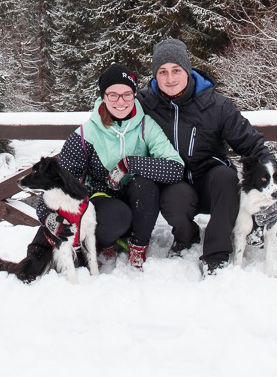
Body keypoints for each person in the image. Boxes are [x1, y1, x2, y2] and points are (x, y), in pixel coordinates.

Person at [137, 38, 272, 276]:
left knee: (226, 177)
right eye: (163, 72)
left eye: (176, 70)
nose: (170, 78)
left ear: (187, 70)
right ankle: (185, 237)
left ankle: (217, 253)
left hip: (210, 180)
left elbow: (251, 144)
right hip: (173, 181)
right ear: (155, 75)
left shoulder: (216, 105)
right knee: (175, 198)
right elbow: (112, 118)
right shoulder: (145, 105)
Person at [35, 63, 185, 270]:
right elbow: (58, 182)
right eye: (113, 95)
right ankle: (105, 243)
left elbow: (176, 168)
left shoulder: (146, 126)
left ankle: (138, 245)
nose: (120, 101)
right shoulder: (85, 135)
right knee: (116, 215)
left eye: (127, 95)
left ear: (134, 95)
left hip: (140, 209)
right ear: (103, 97)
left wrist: (131, 163)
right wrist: (47, 216)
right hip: (103, 209)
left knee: (145, 184)